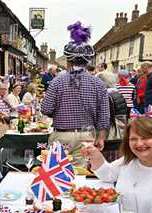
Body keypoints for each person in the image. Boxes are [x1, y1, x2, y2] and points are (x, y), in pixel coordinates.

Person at [41, 21, 110, 166]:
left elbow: (46, 109)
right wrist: (101, 138)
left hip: (62, 135)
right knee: (80, 175)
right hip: (86, 136)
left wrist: (59, 111)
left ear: (68, 60)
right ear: (87, 61)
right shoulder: (98, 83)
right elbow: (104, 117)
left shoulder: (57, 81)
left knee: (56, 174)